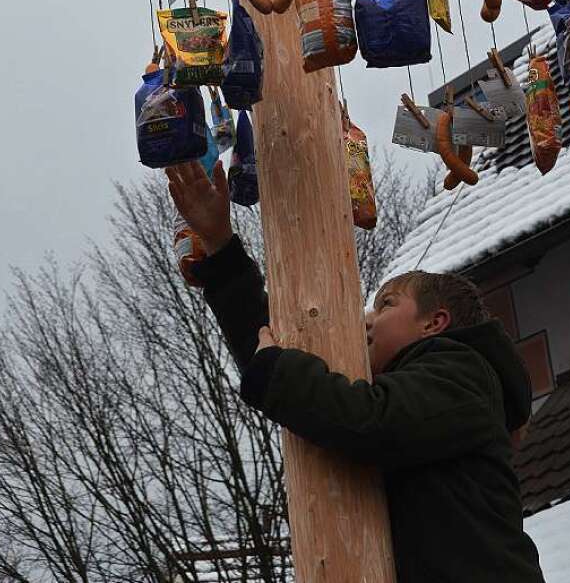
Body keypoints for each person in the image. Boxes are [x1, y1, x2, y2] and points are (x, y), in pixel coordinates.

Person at [166, 159, 546, 583]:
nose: (367, 318)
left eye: (386, 305)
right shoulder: (412, 392)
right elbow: (274, 352)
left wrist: (278, 370)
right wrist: (222, 251)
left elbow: (365, 419)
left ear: (434, 323)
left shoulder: (465, 376)